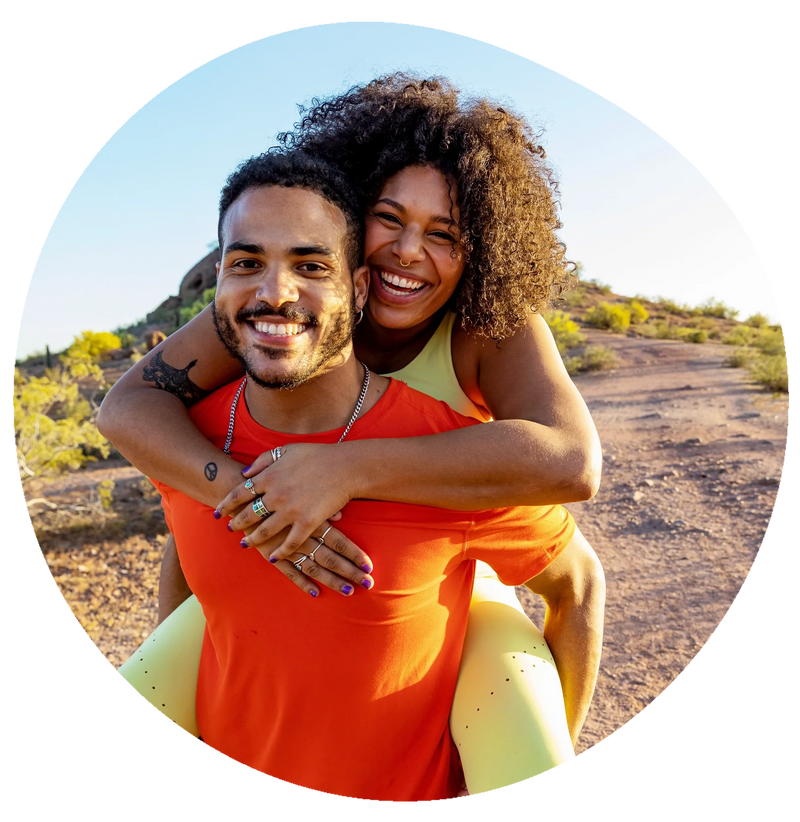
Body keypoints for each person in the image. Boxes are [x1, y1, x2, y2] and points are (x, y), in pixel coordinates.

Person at [99, 74, 605, 795]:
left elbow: (573, 463)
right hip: (261, 560)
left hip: (450, 561)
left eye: (444, 234)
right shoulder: (295, 301)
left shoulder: (491, 329)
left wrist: (346, 470)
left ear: (482, 248)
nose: (406, 252)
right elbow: (129, 407)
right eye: (386, 218)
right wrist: (253, 500)